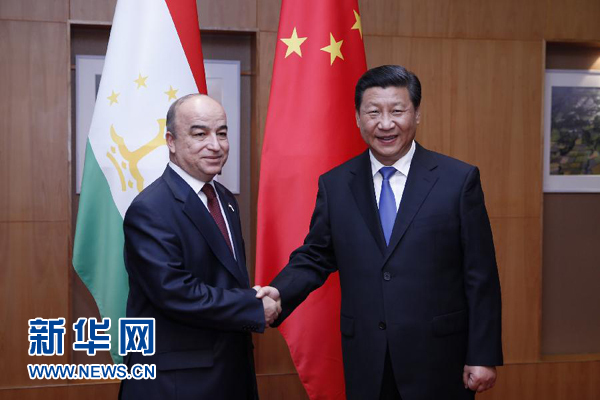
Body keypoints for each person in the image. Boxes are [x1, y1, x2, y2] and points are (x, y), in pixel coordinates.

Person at [257, 65, 503, 400]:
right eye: (373, 112)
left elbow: (481, 274)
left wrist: (483, 354)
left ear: (416, 114)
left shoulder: (457, 180)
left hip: (439, 358)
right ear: (358, 118)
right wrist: (278, 293)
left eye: (397, 111)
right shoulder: (336, 185)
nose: (385, 124)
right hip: (367, 357)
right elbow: (315, 256)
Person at [120, 94, 280, 399]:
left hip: (230, 372)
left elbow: (225, 279)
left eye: (222, 133)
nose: (215, 145)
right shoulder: (150, 209)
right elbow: (174, 292)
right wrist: (252, 305)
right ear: (171, 141)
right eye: (200, 134)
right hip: (179, 383)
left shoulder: (224, 199)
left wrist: (256, 298)